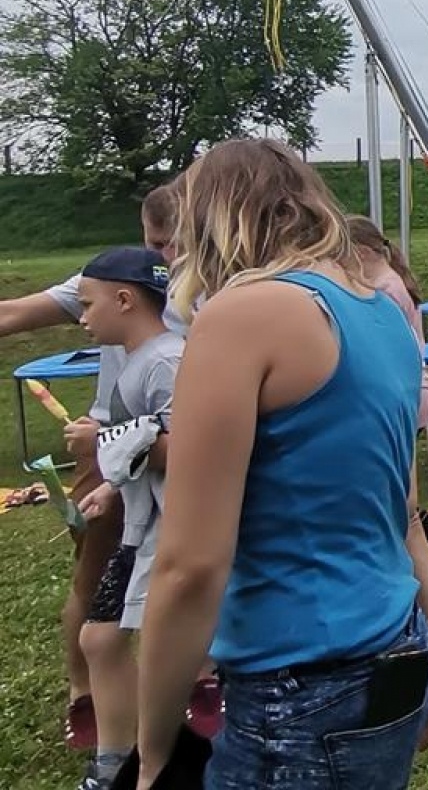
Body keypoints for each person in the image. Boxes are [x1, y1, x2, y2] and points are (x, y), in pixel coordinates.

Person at [132, 139, 428, 790]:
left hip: (302, 687)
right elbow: (403, 521)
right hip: (399, 650)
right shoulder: (380, 312)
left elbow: (191, 566)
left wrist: (150, 752)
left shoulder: (242, 316)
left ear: (215, 219)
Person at [0, 180, 204, 751]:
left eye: (173, 245)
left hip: (174, 459)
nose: (162, 258)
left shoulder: (218, 291)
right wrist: (108, 450)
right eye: (154, 242)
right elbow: (17, 312)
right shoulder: (120, 279)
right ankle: (85, 695)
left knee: (190, 573)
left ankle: (199, 685)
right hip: (106, 457)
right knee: (96, 582)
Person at [72, 247, 183, 790]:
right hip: (141, 530)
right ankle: (119, 759)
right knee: (99, 639)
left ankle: (150, 759)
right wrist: (112, 491)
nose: (82, 317)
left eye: (87, 304)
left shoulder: (167, 361)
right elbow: (146, 445)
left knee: (180, 653)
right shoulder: (141, 359)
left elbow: (187, 444)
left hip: (172, 535)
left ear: (124, 299)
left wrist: (103, 441)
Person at [348, 215, 428, 440]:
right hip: (409, 391)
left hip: (404, 394)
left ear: (361, 253)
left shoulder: (384, 292)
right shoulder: (390, 282)